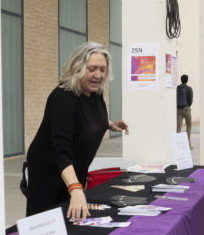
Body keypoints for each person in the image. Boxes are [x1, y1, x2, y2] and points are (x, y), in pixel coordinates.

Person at [23, 42, 129, 219]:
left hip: (75, 167)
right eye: (92, 69)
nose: (98, 75)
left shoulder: (95, 92)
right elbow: (61, 151)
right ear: (78, 68)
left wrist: (109, 124)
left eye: (102, 70)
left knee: (73, 217)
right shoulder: (63, 98)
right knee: (51, 222)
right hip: (51, 171)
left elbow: (86, 115)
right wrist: (75, 188)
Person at [176, 73, 194, 146]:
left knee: (178, 127)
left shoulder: (177, 87)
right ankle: (188, 143)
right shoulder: (189, 89)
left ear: (181, 80)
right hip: (186, 109)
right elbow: (191, 100)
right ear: (187, 80)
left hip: (178, 110)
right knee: (189, 126)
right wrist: (188, 106)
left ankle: (177, 144)